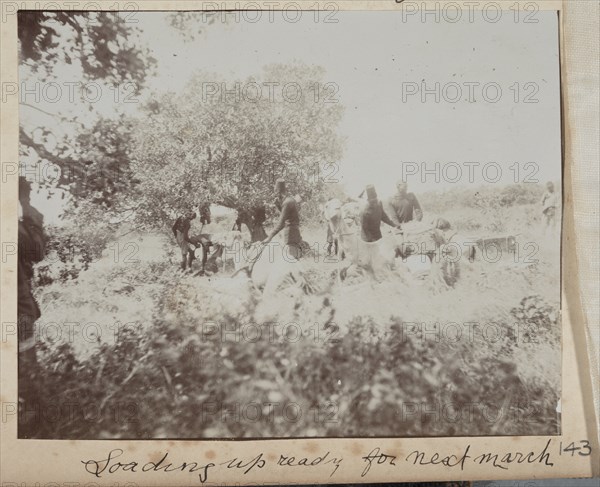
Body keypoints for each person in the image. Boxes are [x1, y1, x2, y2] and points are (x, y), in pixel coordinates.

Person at [18, 176, 46, 437]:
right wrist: (26, 205)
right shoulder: (14, 228)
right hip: (16, 311)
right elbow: (36, 251)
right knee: (25, 375)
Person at [262, 179, 302, 259]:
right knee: (294, 259)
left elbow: (281, 223)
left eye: (276, 192)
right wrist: (278, 205)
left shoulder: (287, 203)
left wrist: (270, 237)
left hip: (290, 234)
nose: (276, 195)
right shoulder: (291, 200)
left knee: (290, 260)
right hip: (295, 232)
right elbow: (289, 216)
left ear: (278, 191)